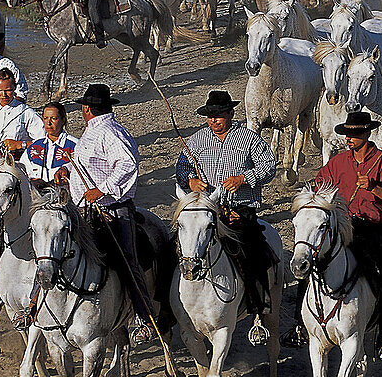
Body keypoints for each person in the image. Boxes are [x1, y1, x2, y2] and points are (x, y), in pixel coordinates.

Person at [313, 111, 382, 362]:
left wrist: (374, 187)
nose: (350, 138)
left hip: (373, 229)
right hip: (343, 227)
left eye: (355, 133)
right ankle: (301, 325)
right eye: (347, 133)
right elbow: (320, 187)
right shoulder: (337, 163)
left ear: (367, 133)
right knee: (311, 264)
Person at [175, 91, 277, 324]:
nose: (213, 121)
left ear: (231, 113)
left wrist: (244, 178)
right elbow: (181, 167)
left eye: (219, 116)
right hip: (206, 209)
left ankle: (259, 303)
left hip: (239, 210)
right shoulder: (197, 140)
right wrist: (190, 180)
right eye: (210, 116)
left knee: (253, 250)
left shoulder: (249, 138)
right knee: (181, 243)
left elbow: (269, 166)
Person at [69, 84, 154, 345]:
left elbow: (127, 165)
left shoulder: (110, 132)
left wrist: (102, 189)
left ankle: (144, 317)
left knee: (127, 262)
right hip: (86, 210)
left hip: (113, 211)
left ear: (86, 109)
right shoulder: (93, 132)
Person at [21, 102, 77, 188]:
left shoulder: (75, 145)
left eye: (54, 118)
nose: (49, 123)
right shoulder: (35, 146)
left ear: (63, 120)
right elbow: (22, 170)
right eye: (45, 118)